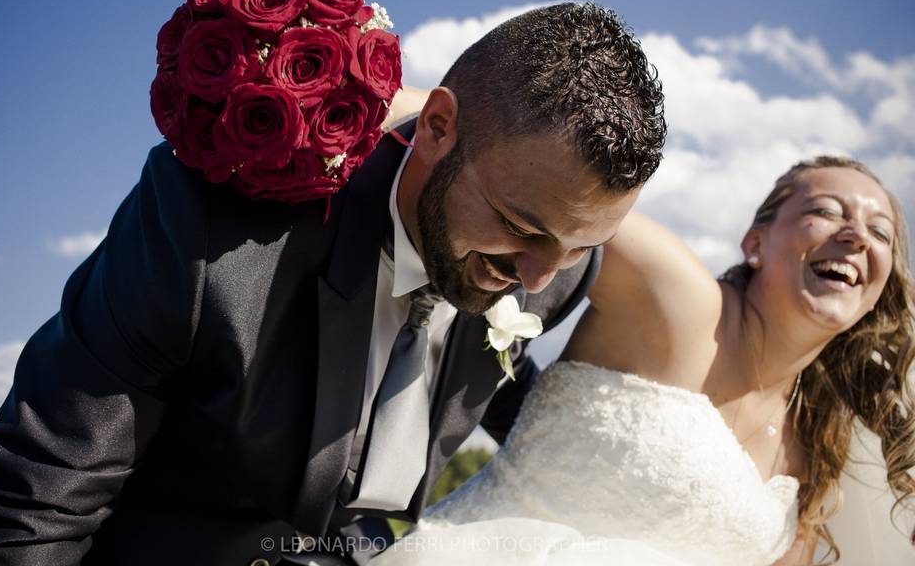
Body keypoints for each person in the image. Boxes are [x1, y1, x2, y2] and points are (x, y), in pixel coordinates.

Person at [0, 0, 668, 564]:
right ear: (438, 127)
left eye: (585, 246)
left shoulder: (554, 273)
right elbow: (37, 498)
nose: (540, 277)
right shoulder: (211, 234)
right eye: (521, 225)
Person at [371, 156, 915, 565]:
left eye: (880, 232)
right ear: (755, 243)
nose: (854, 236)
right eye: (825, 211)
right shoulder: (679, 302)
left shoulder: (819, 437)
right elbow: (507, 157)